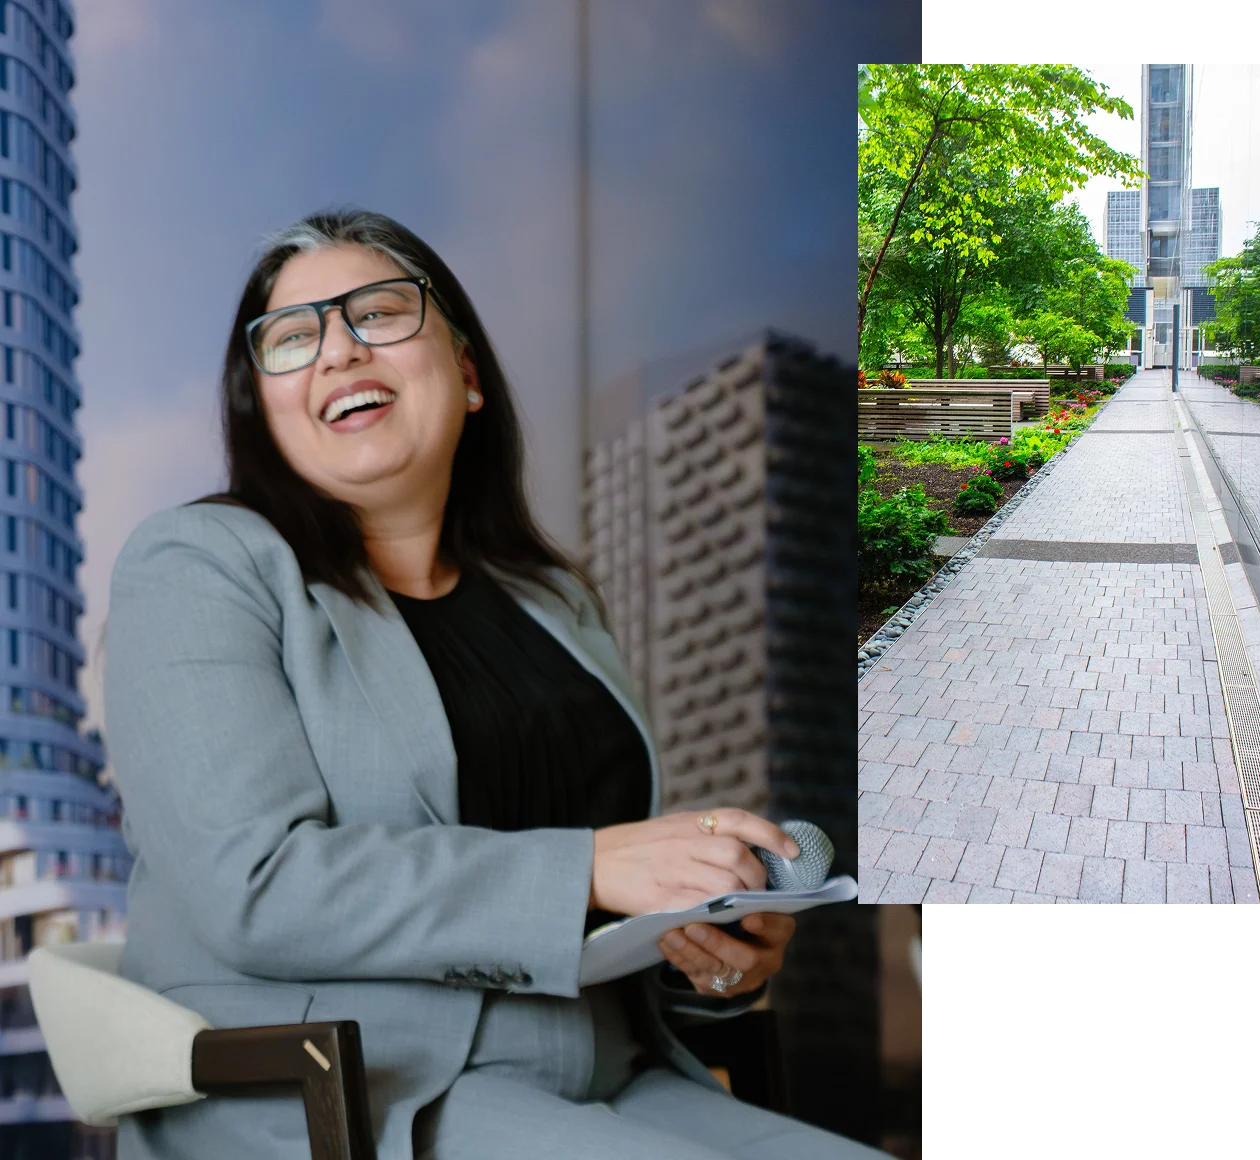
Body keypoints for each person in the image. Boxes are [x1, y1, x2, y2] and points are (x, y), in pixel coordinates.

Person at [102, 208, 887, 1160]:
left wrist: (704, 954)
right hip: (355, 1090)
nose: (338, 350)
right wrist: (588, 866)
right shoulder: (196, 565)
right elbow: (256, 885)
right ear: (264, 414)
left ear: (467, 374)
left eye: (378, 313)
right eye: (293, 338)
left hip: (611, 1073)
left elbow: (593, 915)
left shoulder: (553, 600)